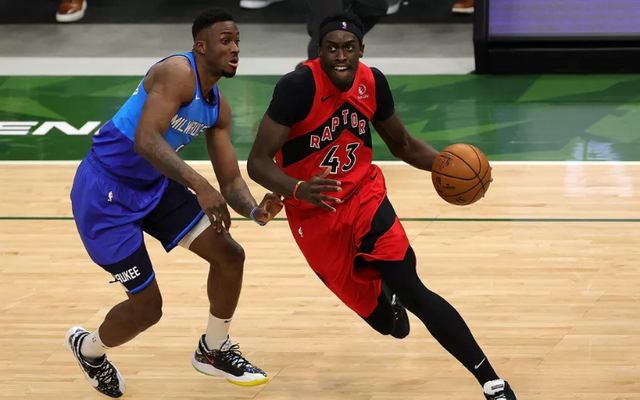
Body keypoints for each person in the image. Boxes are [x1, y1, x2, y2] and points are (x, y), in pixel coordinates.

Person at [247, 11, 517, 400]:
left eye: (349, 47)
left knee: (413, 289)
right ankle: (383, 292)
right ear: (319, 50)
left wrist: (446, 165)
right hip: (314, 213)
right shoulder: (297, 87)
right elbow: (258, 161)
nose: (341, 56)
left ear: (362, 48)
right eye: (332, 48)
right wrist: (297, 188)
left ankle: (492, 383)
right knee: (391, 326)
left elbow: (402, 144)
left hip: (364, 197)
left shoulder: (372, 82)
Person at [66, 8, 282, 398]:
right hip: (105, 193)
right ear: (201, 47)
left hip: (154, 185)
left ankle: (214, 349)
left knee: (230, 255)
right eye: (225, 41)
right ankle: (89, 349)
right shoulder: (177, 72)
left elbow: (231, 181)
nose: (235, 49)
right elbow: (146, 140)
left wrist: (254, 210)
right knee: (148, 309)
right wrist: (199, 185)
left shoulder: (218, 108)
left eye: (237, 41)